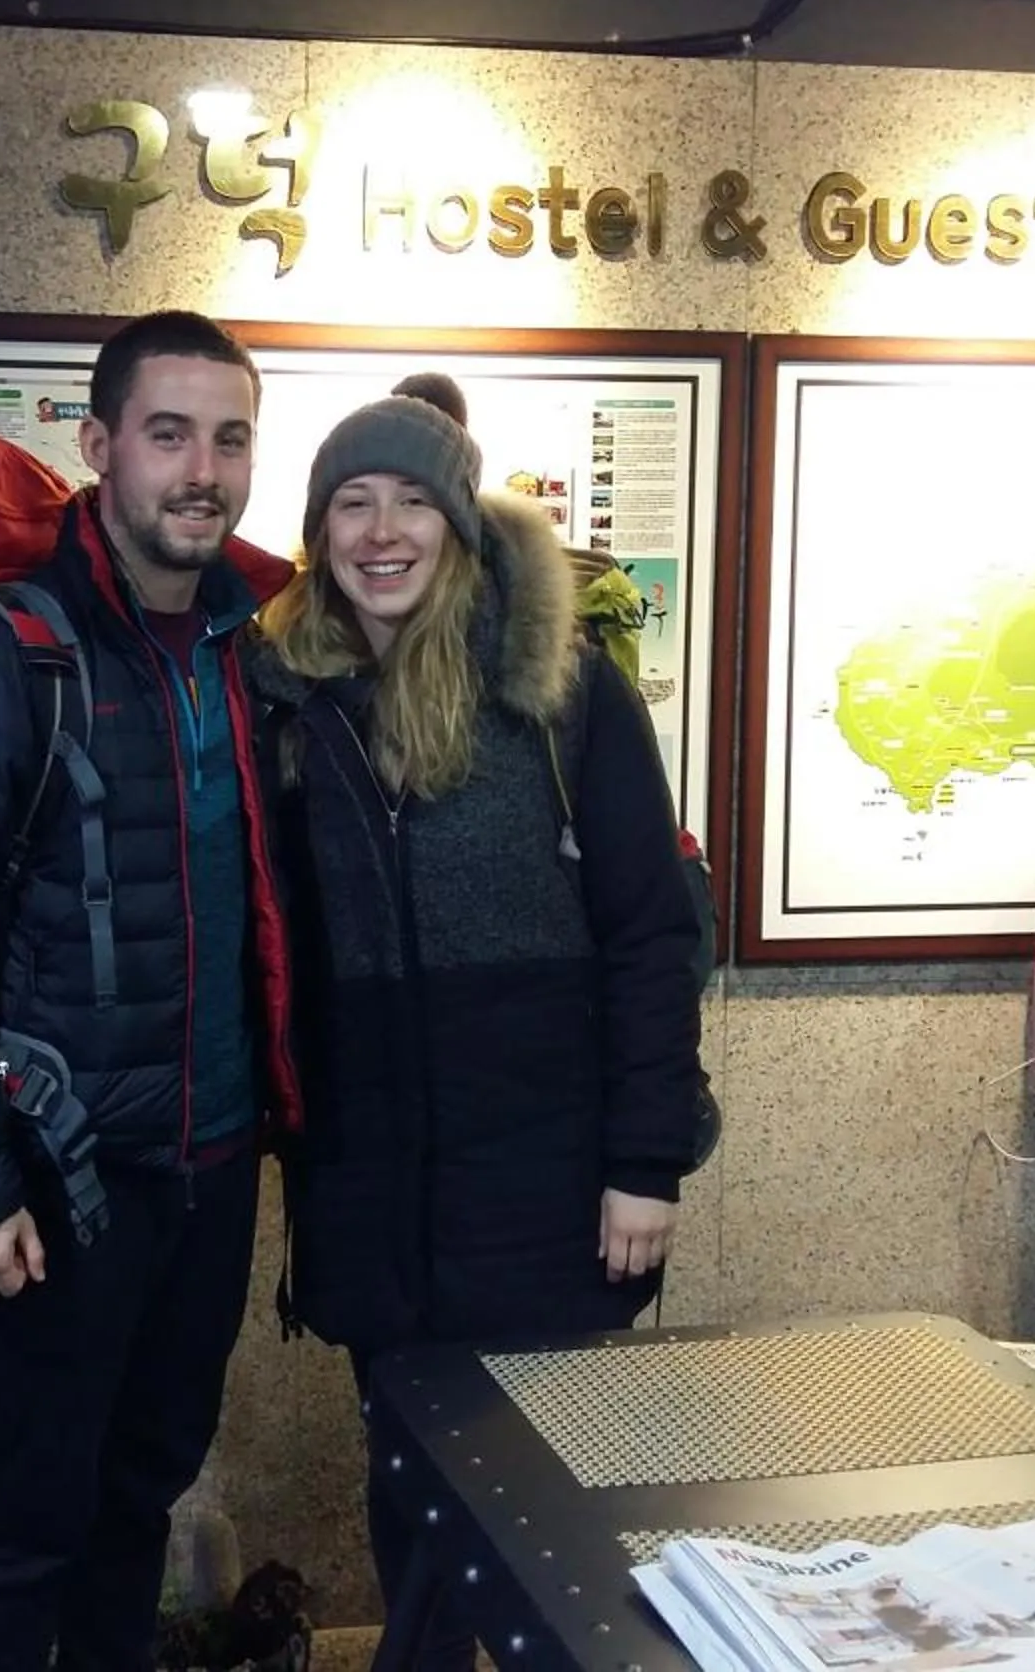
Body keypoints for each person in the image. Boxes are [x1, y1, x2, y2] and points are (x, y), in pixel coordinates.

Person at [0, 309, 301, 1672]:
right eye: (169, 434)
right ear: (101, 445)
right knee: (33, 1508)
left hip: (212, 1165)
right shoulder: (9, 656)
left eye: (229, 439)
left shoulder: (247, 652)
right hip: (68, 1174)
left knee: (142, 1491)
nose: (202, 471)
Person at [246, 379, 705, 1664]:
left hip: (544, 1188)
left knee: (557, 1513)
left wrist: (645, 1160)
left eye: (412, 501)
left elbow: (651, 934)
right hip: (370, 1190)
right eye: (352, 503)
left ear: (456, 523)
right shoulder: (282, 697)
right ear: (319, 531)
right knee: (408, 1487)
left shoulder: (559, 693)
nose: (382, 531)